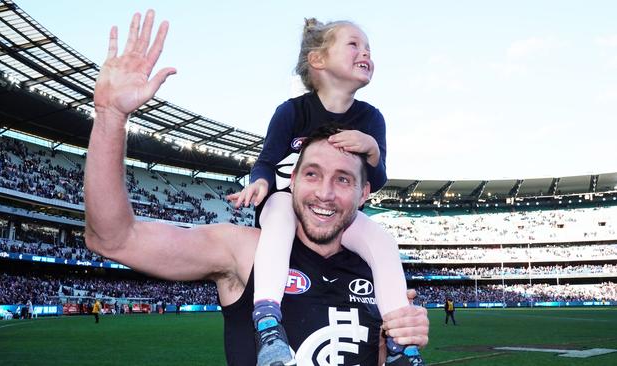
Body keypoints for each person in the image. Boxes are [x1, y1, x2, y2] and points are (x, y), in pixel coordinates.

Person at [85, 10, 428, 365]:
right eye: (311, 174)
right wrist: (111, 115)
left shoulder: (376, 267)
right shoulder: (243, 252)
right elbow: (113, 239)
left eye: (343, 179)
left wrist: (398, 336)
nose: (325, 192)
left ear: (365, 192)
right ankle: (267, 321)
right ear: (292, 179)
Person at [226, 17, 421, 366]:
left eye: (368, 49)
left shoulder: (371, 119)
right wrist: (258, 183)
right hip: (286, 202)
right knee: (282, 213)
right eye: (353, 45)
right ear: (318, 59)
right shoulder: (292, 111)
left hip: (338, 216)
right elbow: (267, 160)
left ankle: (400, 345)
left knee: (382, 241)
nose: (365, 53)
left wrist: (372, 150)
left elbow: (375, 180)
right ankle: (269, 324)